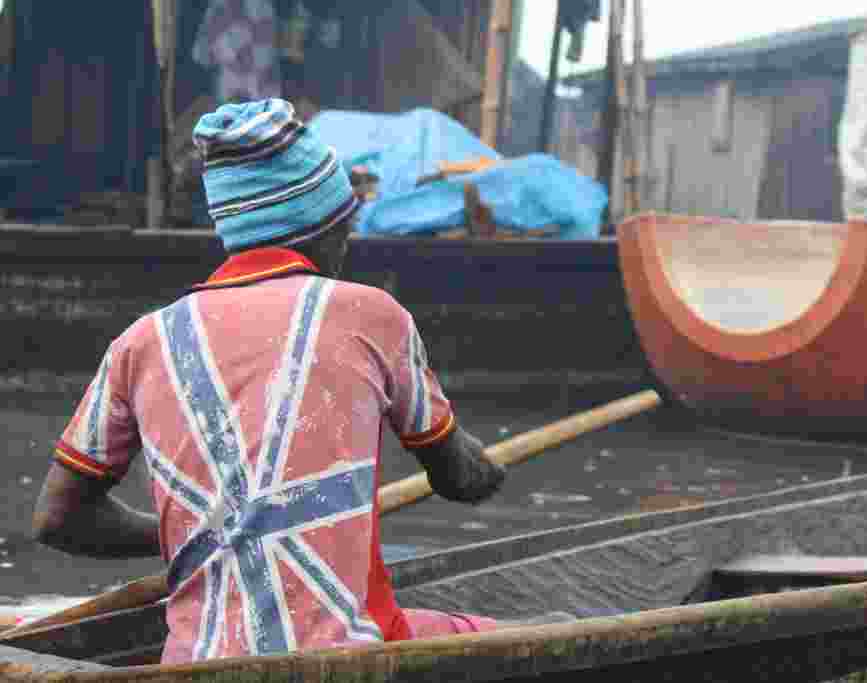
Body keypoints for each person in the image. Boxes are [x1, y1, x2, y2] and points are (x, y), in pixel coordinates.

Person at [31, 99, 509, 664]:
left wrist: (197, 530)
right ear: (324, 223)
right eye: (347, 222)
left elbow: (58, 521)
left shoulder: (139, 343)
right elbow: (460, 480)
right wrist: (487, 465)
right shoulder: (372, 315)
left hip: (192, 664)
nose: (349, 241)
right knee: (543, 627)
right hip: (352, 661)